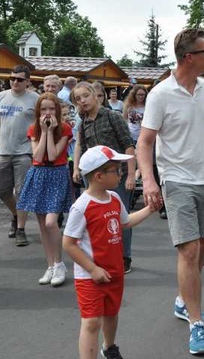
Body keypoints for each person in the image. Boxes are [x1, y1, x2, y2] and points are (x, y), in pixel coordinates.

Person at [136, 28, 204, 356]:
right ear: (189, 57)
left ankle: (183, 300)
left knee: (203, 248)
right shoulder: (160, 94)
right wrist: (149, 181)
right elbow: (145, 141)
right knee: (189, 251)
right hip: (176, 180)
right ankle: (195, 323)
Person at [63, 145, 154, 359]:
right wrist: (93, 269)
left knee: (112, 313)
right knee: (92, 321)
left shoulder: (113, 198)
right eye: (116, 170)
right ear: (98, 176)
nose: (121, 174)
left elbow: (126, 222)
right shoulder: (82, 206)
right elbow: (68, 243)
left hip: (114, 271)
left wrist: (150, 209)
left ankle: (110, 347)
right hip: (89, 276)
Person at [71, 82, 137, 273]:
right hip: (94, 178)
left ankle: (125, 256)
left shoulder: (112, 116)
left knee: (121, 218)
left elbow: (128, 145)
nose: (82, 101)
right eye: (78, 99)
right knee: (99, 218)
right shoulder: (84, 123)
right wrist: (77, 168)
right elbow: (82, 148)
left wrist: (131, 175)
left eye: (85, 96)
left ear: (94, 95)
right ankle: (106, 256)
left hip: (117, 176)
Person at [16, 93, 73, 287]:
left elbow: (54, 154)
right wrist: (43, 131)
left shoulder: (65, 128)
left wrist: (50, 132)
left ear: (56, 110)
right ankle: (50, 266)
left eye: (51, 109)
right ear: (38, 111)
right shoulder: (33, 129)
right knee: (41, 224)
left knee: (51, 223)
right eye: (43, 109)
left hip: (57, 175)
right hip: (39, 174)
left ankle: (59, 264)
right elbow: (39, 156)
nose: (47, 113)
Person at [0, 64, 39, 246]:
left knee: (22, 191)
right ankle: (16, 215)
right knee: (2, 191)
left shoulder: (35, 99)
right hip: (3, 151)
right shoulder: (1, 97)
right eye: (12, 78)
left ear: (27, 81)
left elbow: (39, 126)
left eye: (19, 79)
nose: (14, 82)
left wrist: (37, 149)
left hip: (24, 152)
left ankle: (21, 229)